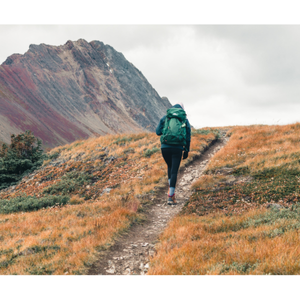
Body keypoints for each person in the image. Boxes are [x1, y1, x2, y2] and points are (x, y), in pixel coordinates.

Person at [156, 103, 191, 205]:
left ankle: (171, 193)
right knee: (174, 171)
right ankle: (170, 197)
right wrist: (186, 150)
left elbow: (158, 132)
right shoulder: (184, 119)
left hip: (165, 147)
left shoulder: (166, 117)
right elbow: (188, 136)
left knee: (169, 167)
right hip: (178, 148)